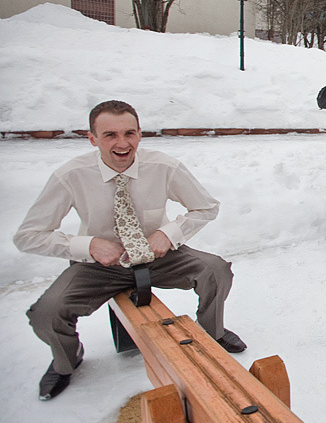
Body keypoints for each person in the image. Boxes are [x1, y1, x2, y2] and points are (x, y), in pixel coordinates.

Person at [14, 100, 247, 401]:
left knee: (215, 270)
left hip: (158, 255)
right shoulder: (70, 175)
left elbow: (206, 207)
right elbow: (28, 236)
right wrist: (89, 245)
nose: (122, 144)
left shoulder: (163, 166)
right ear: (92, 138)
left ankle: (212, 332)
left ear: (140, 134)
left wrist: (168, 233)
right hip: (97, 265)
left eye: (130, 133)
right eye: (110, 135)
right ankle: (67, 359)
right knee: (45, 313)